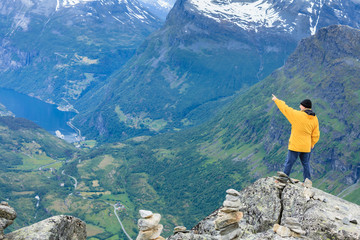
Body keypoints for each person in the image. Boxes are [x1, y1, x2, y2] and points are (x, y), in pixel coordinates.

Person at [272, 94, 320, 181]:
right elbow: (316, 134)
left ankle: (283, 179)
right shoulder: (314, 118)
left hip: (295, 145)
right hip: (306, 146)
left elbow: (285, 109)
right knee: (306, 164)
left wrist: (276, 100)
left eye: (301, 105)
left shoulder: (297, 115)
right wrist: (312, 144)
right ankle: (307, 181)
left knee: (289, 163)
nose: (299, 106)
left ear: (304, 107)